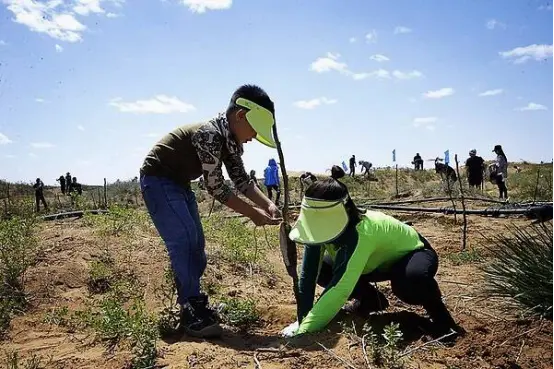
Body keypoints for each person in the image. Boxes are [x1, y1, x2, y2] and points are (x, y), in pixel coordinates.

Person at [139, 84, 281, 339]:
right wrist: (252, 214)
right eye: (254, 130)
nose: (252, 138)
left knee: (197, 245)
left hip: (178, 184)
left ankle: (194, 302)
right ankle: (190, 309)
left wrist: (267, 205)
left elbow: (242, 181)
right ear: (240, 116)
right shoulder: (210, 134)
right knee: (184, 241)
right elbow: (216, 187)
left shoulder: (229, 140)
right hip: (158, 180)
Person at [281, 166, 464, 342]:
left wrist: (304, 332)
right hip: (373, 263)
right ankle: (371, 301)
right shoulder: (316, 229)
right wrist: (302, 320)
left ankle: (443, 322)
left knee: (410, 282)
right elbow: (308, 274)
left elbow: (340, 288)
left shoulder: (361, 232)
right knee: (325, 270)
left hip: (413, 255)